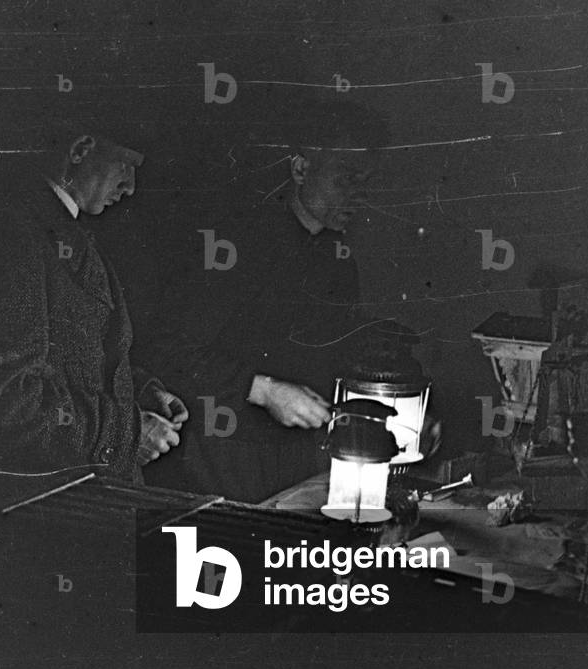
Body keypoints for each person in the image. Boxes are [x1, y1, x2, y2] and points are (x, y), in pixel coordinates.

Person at [141, 102, 398, 502]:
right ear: (300, 169)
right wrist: (263, 390)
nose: (358, 196)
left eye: (365, 183)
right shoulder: (235, 246)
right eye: (345, 179)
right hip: (221, 465)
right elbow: (168, 349)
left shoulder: (338, 261)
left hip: (298, 465)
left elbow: (339, 357)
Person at [0, 131, 187, 483]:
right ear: (80, 149)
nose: (130, 187)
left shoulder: (60, 229)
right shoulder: (16, 235)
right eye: (126, 165)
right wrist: (125, 433)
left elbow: (79, 357)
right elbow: (8, 397)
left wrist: (141, 393)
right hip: (51, 499)